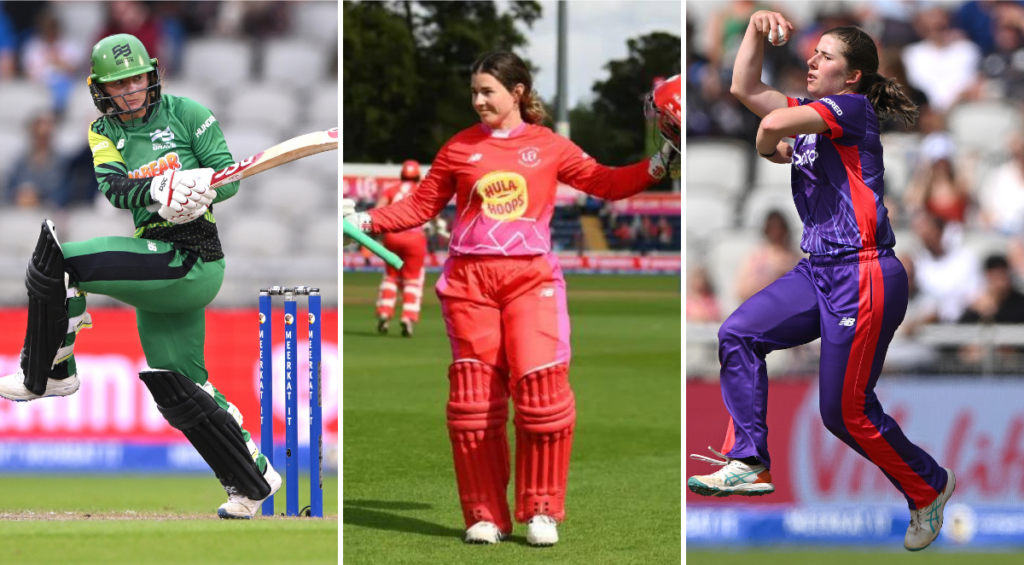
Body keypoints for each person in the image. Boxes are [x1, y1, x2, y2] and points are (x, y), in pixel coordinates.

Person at [345, 52, 678, 547]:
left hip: (531, 279)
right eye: (474, 92)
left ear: (517, 92)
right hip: (469, 281)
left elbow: (603, 182)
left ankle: (542, 510)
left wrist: (657, 165)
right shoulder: (459, 148)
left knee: (543, 396)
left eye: (487, 92)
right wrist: (366, 220)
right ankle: (483, 514)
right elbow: (421, 204)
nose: (478, 101)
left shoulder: (548, 145)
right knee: (472, 403)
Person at [687, 13, 955, 553]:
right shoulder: (813, 116)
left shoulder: (850, 109)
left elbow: (769, 128)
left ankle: (928, 485)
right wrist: (756, 33)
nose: (812, 59)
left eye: (826, 56)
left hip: (865, 273)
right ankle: (748, 461)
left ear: (851, 75)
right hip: (817, 270)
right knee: (737, 333)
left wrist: (769, 139)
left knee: (844, 414)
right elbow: (744, 89)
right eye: (814, 53)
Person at [0, 34, 279, 520]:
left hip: (192, 259)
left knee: (60, 259)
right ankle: (252, 480)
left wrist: (201, 194)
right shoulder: (103, 131)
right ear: (99, 89)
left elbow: (229, 176)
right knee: (181, 389)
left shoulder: (188, 113)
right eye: (117, 84)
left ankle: (50, 371)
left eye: (135, 79)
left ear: (151, 75)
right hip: (160, 262)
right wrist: (160, 191)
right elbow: (113, 188)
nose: (129, 91)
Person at [374, 160, 429, 337]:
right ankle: (408, 316)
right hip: (414, 237)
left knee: (391, 276)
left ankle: (384, 311)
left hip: (392, 236)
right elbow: (431, 211)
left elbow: (377, 211)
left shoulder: (391, 189)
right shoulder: (422, 190)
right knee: (412, 280)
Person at [733, 209, 801, 302]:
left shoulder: (796, 258)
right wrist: (766, 276)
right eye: (772, 229)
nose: (777, 233)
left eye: (780, 228)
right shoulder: (755, 257)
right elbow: (740, 292)